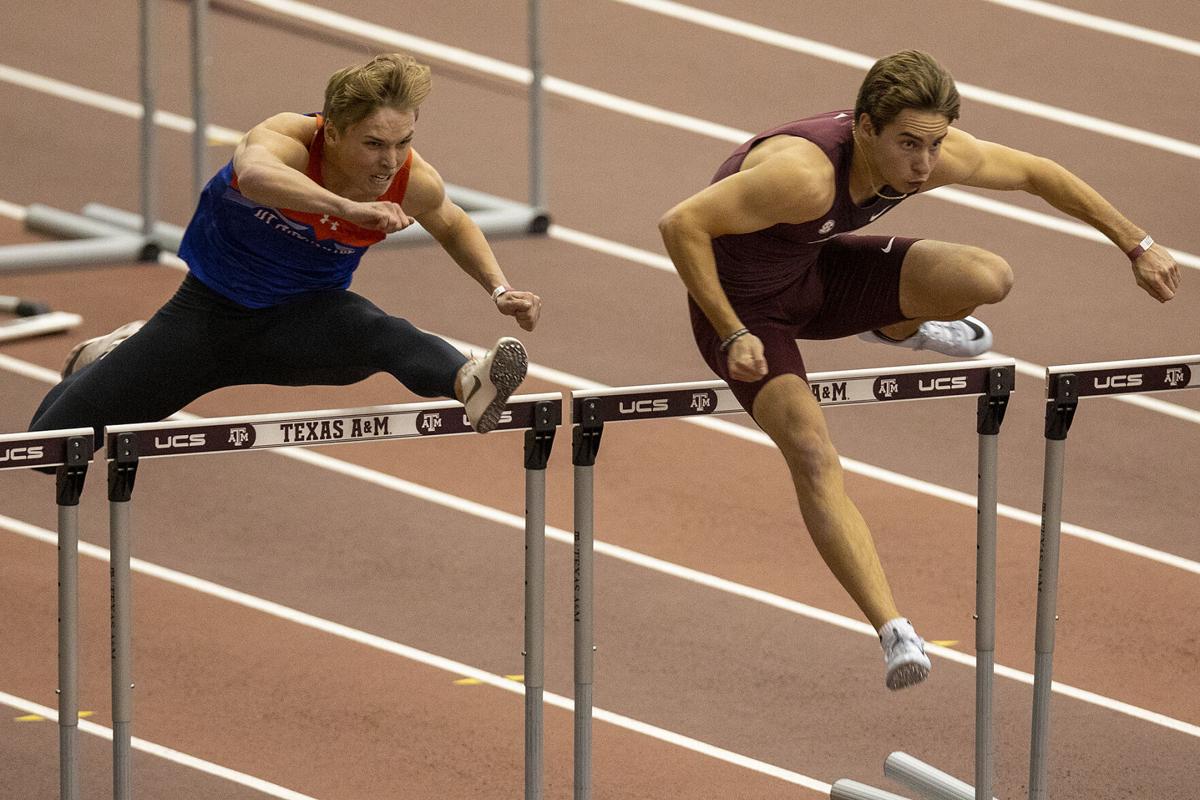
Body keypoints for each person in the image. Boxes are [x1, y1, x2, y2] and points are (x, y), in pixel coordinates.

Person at [657, 49, 1180, 690]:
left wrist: (1138, 244)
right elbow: (681, 224)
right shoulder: (803, 177)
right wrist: (732, 329)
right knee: (812, 452)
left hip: (818, 273)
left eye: (933, 146)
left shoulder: (925, 154)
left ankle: (895, 327)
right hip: (745, 313)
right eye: (908, 145)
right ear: (865, 127)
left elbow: (1038, 173)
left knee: (987, 277)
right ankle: (893, 630)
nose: (924, 165)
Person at [30, 53, 542, 443]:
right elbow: (254, 176)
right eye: (374, 144)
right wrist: (347, 209)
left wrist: (499, 289)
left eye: (402, 142)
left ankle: (469, 383)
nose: (390, 162)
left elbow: (452, 224)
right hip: (205, 317)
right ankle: (118, 353)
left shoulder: (411, 179)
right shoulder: (287, 139)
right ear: (334, 130)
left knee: (380, 332)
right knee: (49, 440)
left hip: (303, 321)